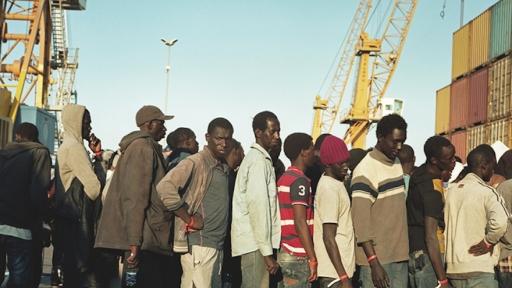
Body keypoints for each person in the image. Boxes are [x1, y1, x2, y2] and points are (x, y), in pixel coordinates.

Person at [94, 105, 177, 288]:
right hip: (144, 238)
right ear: (149, 124)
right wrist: (134, 241)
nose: (165, 128)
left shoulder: (147, 147)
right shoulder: (142, 148)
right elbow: (135, 198)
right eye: (161, 123)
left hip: (146, 236)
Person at [157, 117, 233, 288]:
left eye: (228, 139)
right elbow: (165, 187)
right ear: (207, 137)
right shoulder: (196, 161)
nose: (224, 143)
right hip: (200, 244)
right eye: (219, 138)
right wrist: (188, 218)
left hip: (215, 245)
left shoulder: (221, 166)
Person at [350, 114, 409, 288]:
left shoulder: (396, 162)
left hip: (399, 257)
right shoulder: (365, 171)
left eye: (402, 142)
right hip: (377, 262)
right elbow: (361, 223)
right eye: (395, 141)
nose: (399, 147)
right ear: (380, 138)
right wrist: (374, 263)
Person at [53, 104, 105, 287]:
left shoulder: (66, 145)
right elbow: (93, 187)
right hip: (77, 224)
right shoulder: (75, 148)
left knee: (72, 275)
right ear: (75, 123)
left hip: (67, 221)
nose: (89, 127)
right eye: (86, 123)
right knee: (81, 277)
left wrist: (97, 154)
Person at [444, 144, 508, 288]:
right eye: (493, 167)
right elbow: (501, 222)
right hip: (479, 268)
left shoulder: (451, 192)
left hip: (454, 270)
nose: (494, 172)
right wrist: (488, 242)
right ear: (484, 166)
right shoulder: (487, 193)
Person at [231, 111, 281, 288]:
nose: (277, 136)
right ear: (259, 132)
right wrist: (267, 253)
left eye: (278, 132)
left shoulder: (261, 160)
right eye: (272, 131)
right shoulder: (258, 162)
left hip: (257, 243)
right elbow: (258, 209)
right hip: (255, 245)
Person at [0, 123, 51, 288]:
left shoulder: (3, 153)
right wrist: (44, 220)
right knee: (20, 280)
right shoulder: (39, 153)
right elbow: (38, 192)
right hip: (21, 228)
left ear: (16, 136)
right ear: (36, 137)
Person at [406, 136, 455, 288]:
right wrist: (443, 280)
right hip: (428, 257)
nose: (453, 161)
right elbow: (430, 237)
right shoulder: (432, 190)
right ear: (434, 160)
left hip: (414, 252)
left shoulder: (419, 175)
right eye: (449, 158)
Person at [314, 135, 355, 288]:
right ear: (328, 164)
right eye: (341, 163)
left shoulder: (335, 184)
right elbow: (328, 237)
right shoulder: (329, 189)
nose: (346, 166)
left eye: (347, 161)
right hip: (335, 275)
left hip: (339, 272)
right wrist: (343, 277)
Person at [276, 133, 317, 286]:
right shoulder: (300, 181)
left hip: (286, 250)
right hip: (298, 254)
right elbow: (300, 221)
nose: (315, 153)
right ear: (303, 152)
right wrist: (312, 258)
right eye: (312, 149)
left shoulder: (284, 178)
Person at [222, 139, 245, 288]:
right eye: (242, 153)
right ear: (235, 152)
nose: (243, 157)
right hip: (229, 236)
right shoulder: (231, 178)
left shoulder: (225, 174)